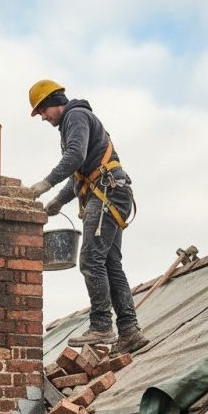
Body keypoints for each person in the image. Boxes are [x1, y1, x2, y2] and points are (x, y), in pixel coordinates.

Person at [27, 79, 149, 356]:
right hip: (112, 193)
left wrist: (44, 185)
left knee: (91, 259)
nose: (43, 118)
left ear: (52, 103)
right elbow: (80, 173)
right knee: (110, 263)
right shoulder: (76, 119)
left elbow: (74, 156)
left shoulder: (75, 116)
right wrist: (57, 202)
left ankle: (102, 324)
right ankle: (130, 332)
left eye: (42, 111)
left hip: (107, 194)